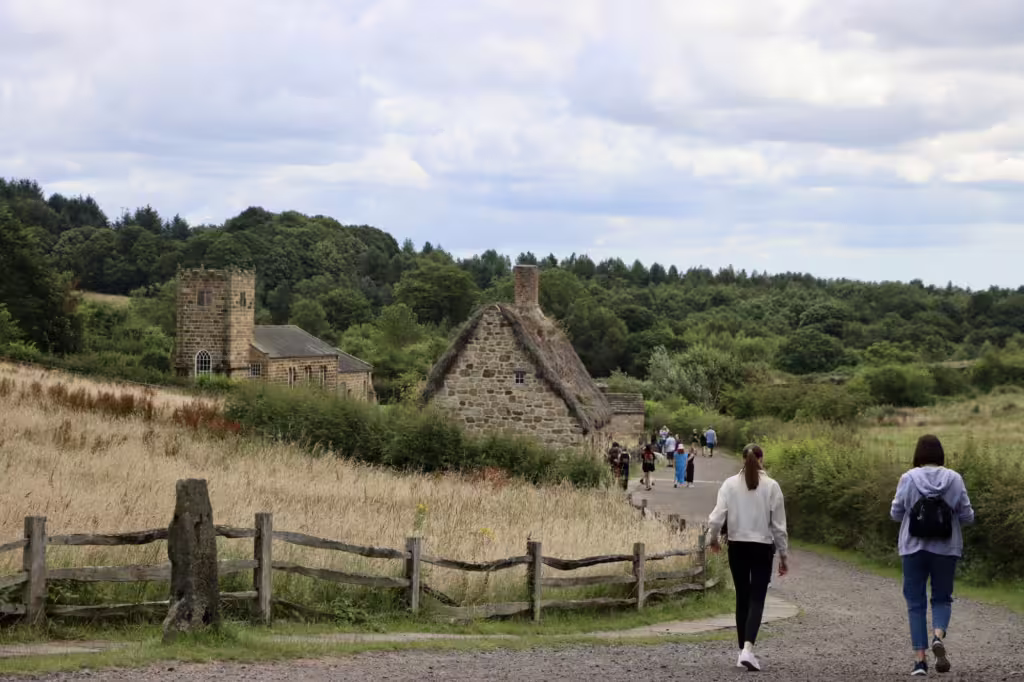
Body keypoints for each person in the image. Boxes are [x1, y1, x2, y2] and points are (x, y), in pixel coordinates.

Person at [890, 435, 975, 677]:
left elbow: (895, 513)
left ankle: (919, 661)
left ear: (918, 454)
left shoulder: (908, 478)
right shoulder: (955, 479)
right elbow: (967, 515)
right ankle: (937, 635)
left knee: (915, 603)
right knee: (942, 598)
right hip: (947, 549)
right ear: (941, 455)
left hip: (913, 549)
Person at [707, 444, 789, 672]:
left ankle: (741, 651)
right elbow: (779, 527)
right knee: (757, 598)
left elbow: (715, 519)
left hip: (737, 546)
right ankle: (747, 649)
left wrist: (713, 540)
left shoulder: (729, 484)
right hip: (762, 547)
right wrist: (783, 556)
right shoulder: (772, 486)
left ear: (742, 459)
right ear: (762, 459)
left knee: (742, 597)